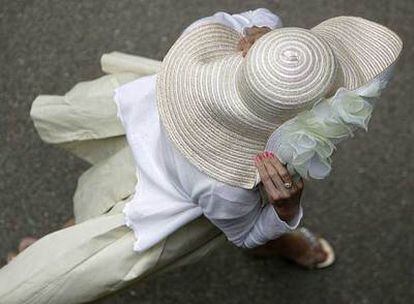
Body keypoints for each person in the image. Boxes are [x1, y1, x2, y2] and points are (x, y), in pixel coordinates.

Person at [0, 8, 401, 304]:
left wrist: (261, 35)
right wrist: (284, 211)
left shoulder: (236, 45)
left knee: (108, 189)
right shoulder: (230, 188)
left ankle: (41, 248)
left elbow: (257, 17)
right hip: (176, 192)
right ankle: (45, 254)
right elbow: (241, 232)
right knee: (104, 220)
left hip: (152, 130)